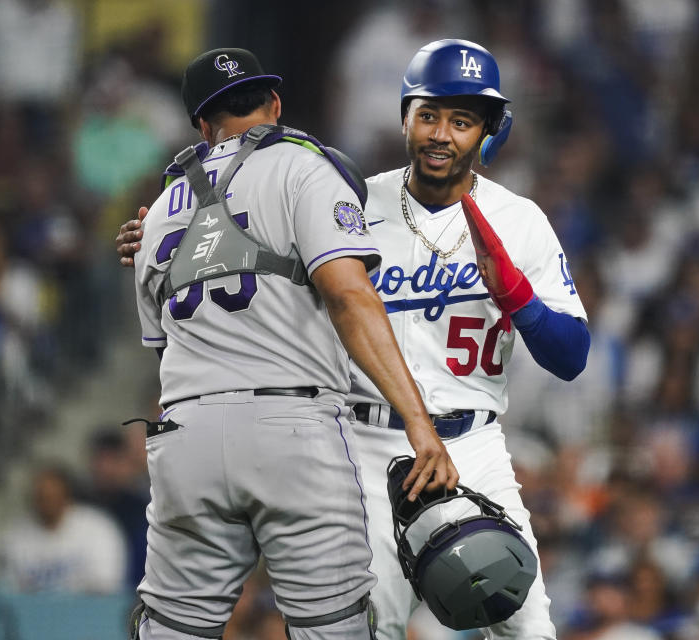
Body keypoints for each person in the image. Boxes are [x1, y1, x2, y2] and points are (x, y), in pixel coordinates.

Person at [118, 40, 589, 639]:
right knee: (368, 629)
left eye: (462, 120)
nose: (441, 134)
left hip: (474, 449)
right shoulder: (350, 198)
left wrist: (517, 297)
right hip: (361, 444)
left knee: (528, 630)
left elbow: (571, 357)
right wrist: (162, 233)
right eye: (428, 115)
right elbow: (240, 255)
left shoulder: (519, 220)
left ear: (490, 130)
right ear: (404, 117)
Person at [126, 47, 457, 640]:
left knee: (171, 629)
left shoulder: (153, 219)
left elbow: (164, 348)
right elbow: (350, 296)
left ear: (202, 126)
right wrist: (418, 423)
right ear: (273, 104)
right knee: (332, 628)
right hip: (290, 427)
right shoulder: (302, 166)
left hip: (184, 435)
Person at [0, 464, 127, 594]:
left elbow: (107, 588)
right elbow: (8, 591)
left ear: (67, 496)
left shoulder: (98, 529)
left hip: (86, 612)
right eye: (41, 497)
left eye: (53, 496)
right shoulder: (15, 537)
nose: (47, 503)